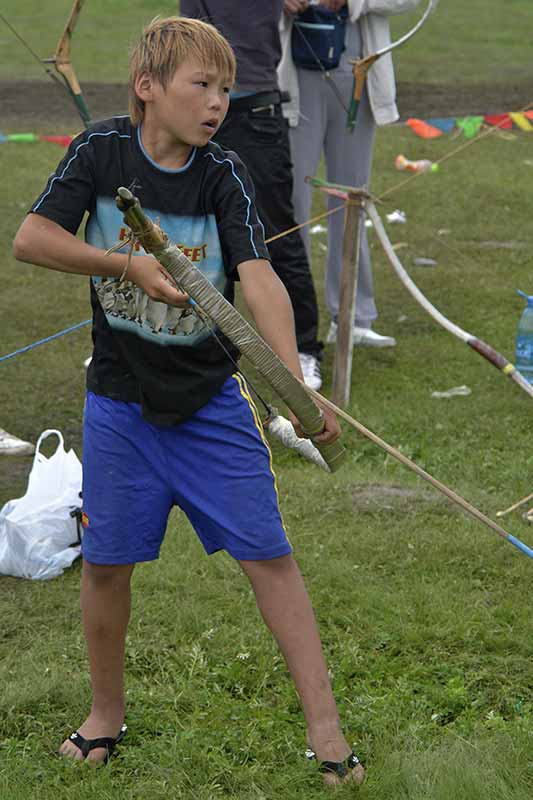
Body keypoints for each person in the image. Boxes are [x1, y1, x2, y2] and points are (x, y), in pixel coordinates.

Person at [13, 17, 364, 787]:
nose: (216, 104)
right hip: (119, 407)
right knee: (105, 566)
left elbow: (259, 278)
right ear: (148, 89)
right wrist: (122, 266)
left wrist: (291, 382)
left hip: (209, 406)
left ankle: (327, 731)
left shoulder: (223, 173)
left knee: (269, 558)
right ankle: (105, 714)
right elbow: (31, 239)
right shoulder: (101, 153)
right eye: (199, 86)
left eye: (225, 90)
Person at [180, 0, 324, 392]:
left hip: (253, 109)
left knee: (276, 232)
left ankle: (304, 349)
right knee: (183, 229)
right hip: (191, 107)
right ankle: (161, 340)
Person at [279, 0, 421, 347]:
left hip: (359, 71)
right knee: (292, 203)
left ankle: (352, 317)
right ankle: (289, 322)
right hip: (293, 75)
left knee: (351, 198)